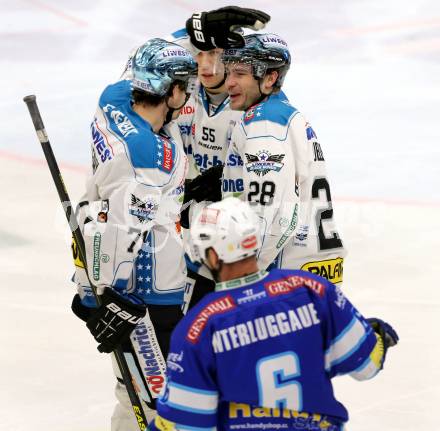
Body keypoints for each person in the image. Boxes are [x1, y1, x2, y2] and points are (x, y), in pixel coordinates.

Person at [148, 197, 399, 431]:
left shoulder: (199, 325)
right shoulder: (313, 289)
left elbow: (186, 423)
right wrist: (377, 334)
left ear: (212, 255)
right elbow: (366, 365)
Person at [71, 38, 197, 428]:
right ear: (172, 92)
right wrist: (113, 301)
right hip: (145, 296)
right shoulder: (150, 156)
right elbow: (128, 232)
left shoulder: (112, 99)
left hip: (100, 270)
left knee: (132, 396)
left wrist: (90, 292)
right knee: (162, 404)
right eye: (186, 86)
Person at [120, 7, 271, 311]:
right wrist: (193, 34)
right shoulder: (182, 90)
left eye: (217, 54)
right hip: (182, 236)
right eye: (200, 53)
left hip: (231, 242)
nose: (207, 65)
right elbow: (144, 67)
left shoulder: (251, 100)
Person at [222, 34, 347, 285]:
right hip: (317, 266)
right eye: (228, 73)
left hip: (282, 273)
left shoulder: (264, 120)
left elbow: (273, 213)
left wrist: (242, 275)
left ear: (270, 78)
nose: (229, 83)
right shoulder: (287, 115)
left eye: (240, 74)